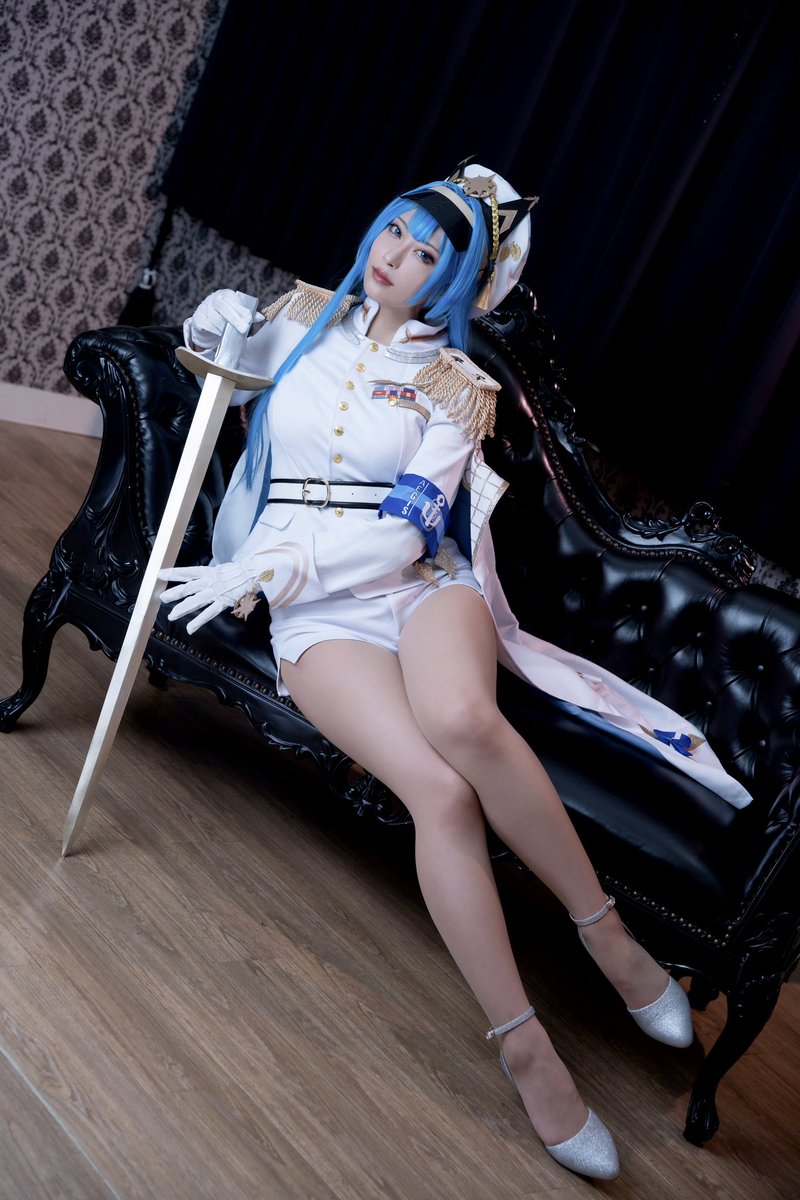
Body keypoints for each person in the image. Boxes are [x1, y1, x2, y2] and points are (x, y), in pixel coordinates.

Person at [158, 161, 753, 1181]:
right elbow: (214, 362)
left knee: (466, 722)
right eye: (394, 231)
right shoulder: (296, 322)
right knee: (436, 791)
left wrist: (278, 563)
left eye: (428, 254)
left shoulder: (457, 387)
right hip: (317, 614)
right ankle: (524, 1046)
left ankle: (609, 940)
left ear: (456, 282)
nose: (397, 257)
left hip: (418, 581)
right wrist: (214, 321)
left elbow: (405, 535)